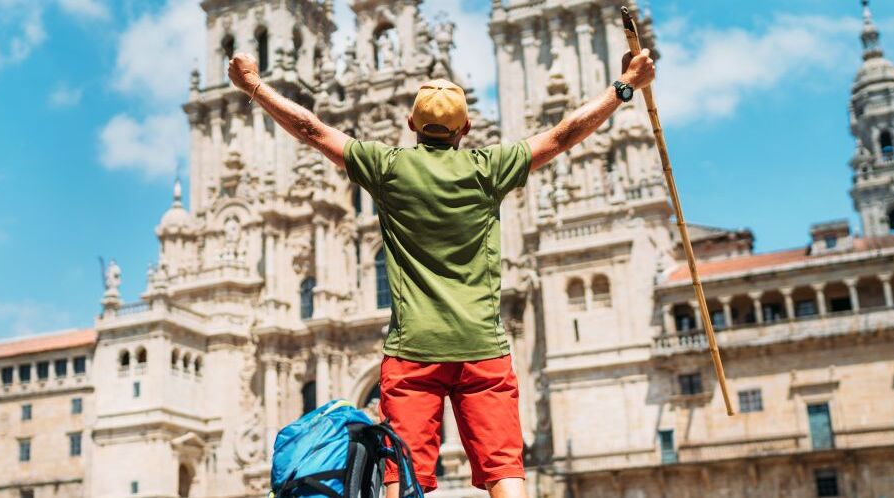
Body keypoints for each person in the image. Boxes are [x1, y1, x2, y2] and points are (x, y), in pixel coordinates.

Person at [229, 48, 655, 498]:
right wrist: (625, 85)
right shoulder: (489, 167)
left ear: (411, 126)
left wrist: (253, 84)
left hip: (413, 350)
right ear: (465, 129)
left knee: (401, 475)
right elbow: (564, 135)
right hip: (482, 346)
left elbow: (311, 129)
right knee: (505, 471)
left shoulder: (388, 167)